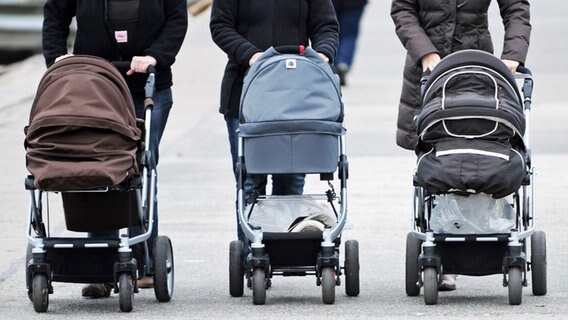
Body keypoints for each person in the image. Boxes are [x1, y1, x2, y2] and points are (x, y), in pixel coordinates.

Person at [42, 0, 188, 298]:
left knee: (139, 168)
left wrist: (154, 56)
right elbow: (55, 14)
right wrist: (57, 59)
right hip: (89, 90)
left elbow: (176, 21)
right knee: (94, 165)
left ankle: (141, 259)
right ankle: (101, 264)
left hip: (146, 89)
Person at [390, 0, 531, 290]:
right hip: (429, 72)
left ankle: (487, 232)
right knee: (438, 158)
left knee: (483, 153)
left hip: (480, 73)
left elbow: (516, 7)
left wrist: (512, 56)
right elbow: (403, 9)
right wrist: (425, 51)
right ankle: (441, 250)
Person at [209, 0, 339, 259]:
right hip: (245, 94)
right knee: (249, 181)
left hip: (296, 93)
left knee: (291, 178)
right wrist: (252, 55)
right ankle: (252, 253)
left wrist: (322, 54)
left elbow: (326, 26)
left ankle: (285, 249)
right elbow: (221, 26)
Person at [332, 0, 368, 86]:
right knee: (350, 34)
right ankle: (343, 62)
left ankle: (333, 65)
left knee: (332, 31)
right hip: (354, 3)